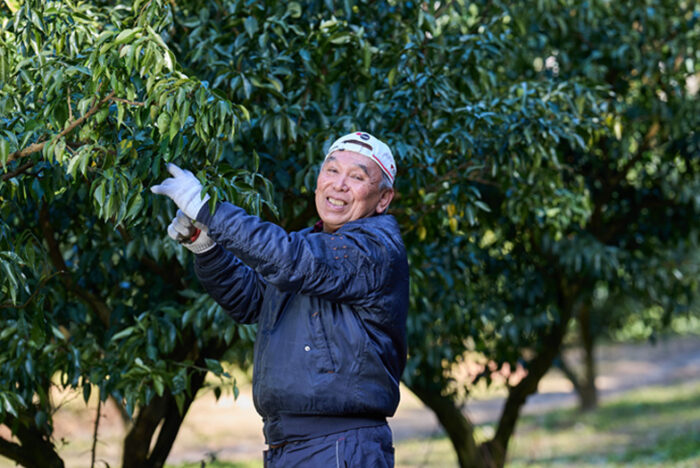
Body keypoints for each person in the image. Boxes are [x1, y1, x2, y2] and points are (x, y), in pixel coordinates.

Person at [151, 132, 409, 467]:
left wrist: (207, 207)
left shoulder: (374, 250)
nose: (339, 184)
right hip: (289, 445)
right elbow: (249, 301)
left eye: (357, 177)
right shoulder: (309, 246)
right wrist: (205, 245)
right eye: (332, 171)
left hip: (339, 446)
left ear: (383, 198)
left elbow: (291, 259)